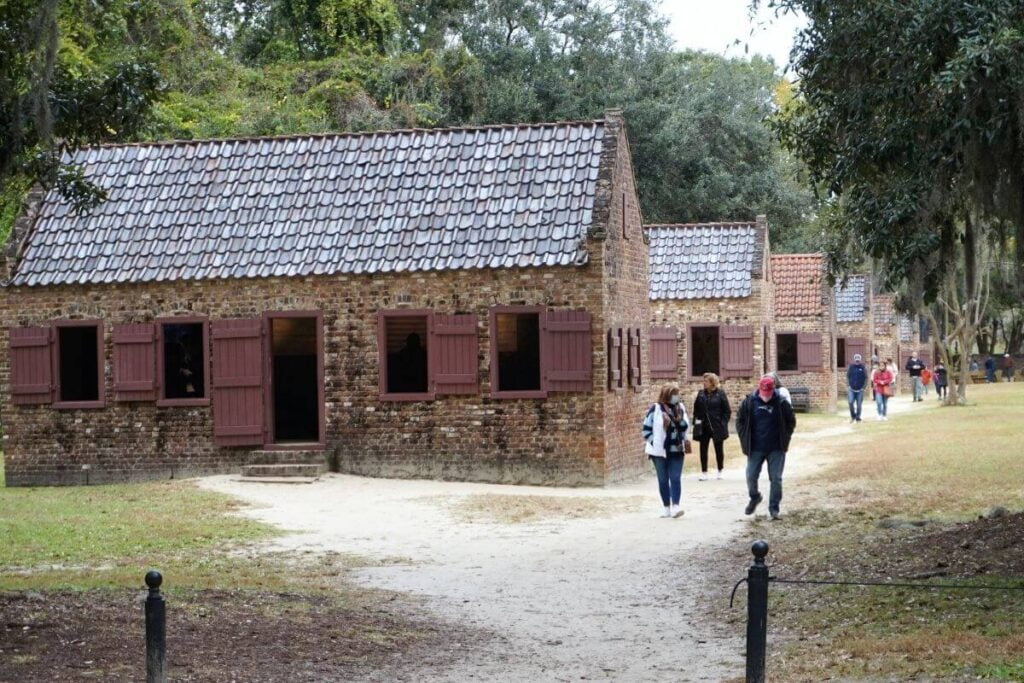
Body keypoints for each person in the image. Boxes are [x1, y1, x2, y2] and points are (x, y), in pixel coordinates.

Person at [736, 375, 796, 521]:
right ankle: (755, 497)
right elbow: (740, 420)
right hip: (756, 447)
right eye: (763, 394)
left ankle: (774, 509)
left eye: (768, 394)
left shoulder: (781, 402)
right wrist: (745, 438)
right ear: (759, 389)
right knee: (751, 475)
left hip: (776, 448)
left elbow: (791, 422)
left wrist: (785, 439)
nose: (766, 397)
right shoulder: (749, 402)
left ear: (773, 389)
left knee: (776, 478)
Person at [642, 383, 690, 518]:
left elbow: (685, 427)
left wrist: (678, 420)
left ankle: (676, 506)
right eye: (674, 394)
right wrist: (654, 442)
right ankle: (666, 507)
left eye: (677, 394)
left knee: (675, 477)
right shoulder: (655, 409)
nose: (677, 397)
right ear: (667, 395)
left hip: (677, 449)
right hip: (658, 451)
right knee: (663, 480)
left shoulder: (680, 408)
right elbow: (646, 429)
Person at [693, 373, 731, 481]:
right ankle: (704, 472)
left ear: (712, 382)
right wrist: (696, 423)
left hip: (717, 426)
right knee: (703, 449)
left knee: (719, 449)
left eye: (706, 381)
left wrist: (723, 423)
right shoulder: (700, 394)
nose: (704, 383)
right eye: (703, 381)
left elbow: (727, 411)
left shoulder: (720, 394)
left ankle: (720, 470)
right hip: (703, 426)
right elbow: (696, 410)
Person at [846, 353, 868, 423]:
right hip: (851, 389)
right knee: (850, 402)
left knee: (859, 405)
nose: (857, 361)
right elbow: (847, 376)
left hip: (860, 390)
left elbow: (866, 377)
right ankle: (853, 416)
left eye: (858, 360)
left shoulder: (863, 367)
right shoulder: (851, 367)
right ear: (854, 360)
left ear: (860, 360)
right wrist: (848, 385)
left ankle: (858, 418)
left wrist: (864, 387)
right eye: (856, 360)